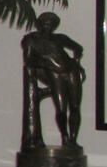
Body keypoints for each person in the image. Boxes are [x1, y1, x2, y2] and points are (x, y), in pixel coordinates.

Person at [22, 11, 85, 149]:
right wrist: (44, 63)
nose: (48, 27)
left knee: (75, 106)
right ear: (39, 24)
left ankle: (73, 140)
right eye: (45, 23)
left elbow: (78, 48)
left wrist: (77, 62)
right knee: (61, 109)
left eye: (51, 24)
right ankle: (65, 136)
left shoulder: (60, 38)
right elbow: (28, 60)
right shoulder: (31, 40)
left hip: (71, 71)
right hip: (55, 74)